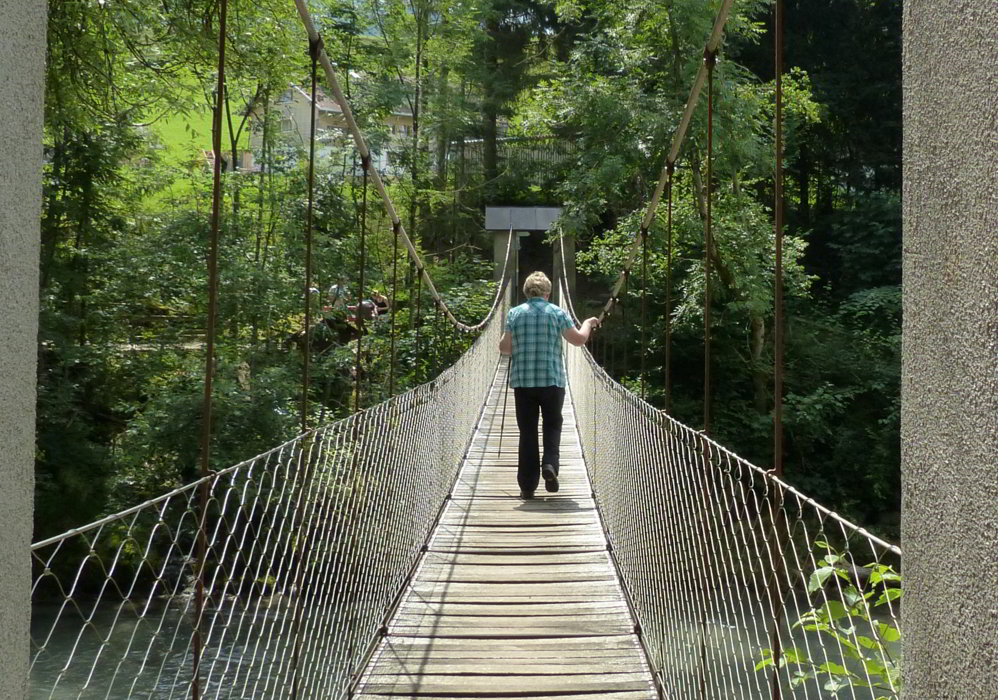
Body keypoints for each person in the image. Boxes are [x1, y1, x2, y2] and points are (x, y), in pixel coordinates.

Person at [498, 271, 600, 500]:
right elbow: (578, 340)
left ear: (526, 292)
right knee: (552, 426)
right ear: (548, 292)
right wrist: (587, 323)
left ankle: (527, 486)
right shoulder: (557, 313)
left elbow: (505, 348)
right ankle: (550, 465)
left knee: (527, 432)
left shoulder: (515, 314)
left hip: (523, 384)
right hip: (552, 382)